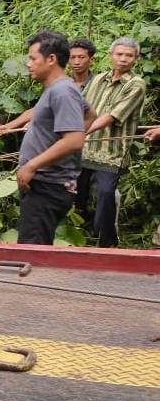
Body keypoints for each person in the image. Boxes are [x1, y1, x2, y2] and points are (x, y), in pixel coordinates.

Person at [15, 31, 88, 245]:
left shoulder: (63, 91)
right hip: (43, 184)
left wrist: (32, 165)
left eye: (33, 58)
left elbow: (74, 140)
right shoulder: (58, 89)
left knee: (32, 251)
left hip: (48, 185)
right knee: (35, 246)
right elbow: (90, 115)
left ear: (51, 59)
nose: (28, 64)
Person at [76, 37, 147, 247]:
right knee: (76, 193)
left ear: (136, 58)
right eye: (119, 54)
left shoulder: (136, 84)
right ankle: (78, 235)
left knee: (106, 194)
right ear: (111, 56)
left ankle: (106, 242)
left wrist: (82, 131)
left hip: (111, 152)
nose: (123, 59)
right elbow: (81, 107)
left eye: (129, 55)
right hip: (84, 148)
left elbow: (111, 116)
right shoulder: (97, 79)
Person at [0, 37, 96, 135]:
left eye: (81, 57)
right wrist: (9, 126)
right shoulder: (60, 85)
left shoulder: (98, 83)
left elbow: (95, 115)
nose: (76, 62)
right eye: (72, 57)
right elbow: (39, 109)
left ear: (91, 60)